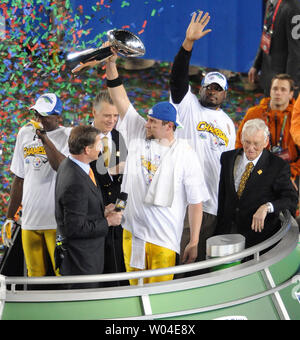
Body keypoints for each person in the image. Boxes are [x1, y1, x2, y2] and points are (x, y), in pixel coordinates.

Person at [104, 49, 210, 285]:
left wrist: (193, 241)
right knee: (134, 294)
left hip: (163, 240)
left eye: (153, 122)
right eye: (148, 119)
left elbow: (195, 202)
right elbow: (121, 100)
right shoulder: (139, 134)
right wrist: (111, 67)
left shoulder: (185, 154)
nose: (147, 124)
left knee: (158, 299)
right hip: (133, 234)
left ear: (169, 126)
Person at [169, 11, 236, 262]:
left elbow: (227, 166)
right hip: (184, 200)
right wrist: (188, 44)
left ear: (225, 94)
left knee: (200, 266)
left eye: (218, 89)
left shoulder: (229, 125)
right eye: (209, 87)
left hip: (212, 205)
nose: (213, 92)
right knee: (178, 262)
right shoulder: (187, 106)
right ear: (201, 89)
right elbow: (177, 78)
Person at [1, 93, 71, 277]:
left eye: (44, 116)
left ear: (58, 117)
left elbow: (60, 167)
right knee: (34, 275)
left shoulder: (67, 135)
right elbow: (19, 178)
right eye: (36, 114)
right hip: (29, 220)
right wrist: (9, 217)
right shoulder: (24, 133)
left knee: (61, 273)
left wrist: (44, 138)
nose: (38, 120)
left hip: (55, 220)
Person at [54, 125, 123, 288]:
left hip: (84, 259)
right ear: (87, 149)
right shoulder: (74, 181)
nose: (102, 147)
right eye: (99, 143)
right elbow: (75, 229)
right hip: (81, 263)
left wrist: (103, 210)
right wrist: (108, 222)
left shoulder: (71, 165)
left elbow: (79, 211)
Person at [216, 118, 298, 248]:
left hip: (257, 239)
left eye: (256, 143)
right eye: (247, 142)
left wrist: (267, 207)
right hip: (226, 233)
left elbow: (291, 198)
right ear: (241, 138)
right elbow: (222, 195)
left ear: (266, 142)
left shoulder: (277, 166)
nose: (250, 148)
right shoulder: (228, 158)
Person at [236, 74, 300, 192]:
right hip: (258, 170)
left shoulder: (296, 118)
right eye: (275, 88)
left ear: (291, 94)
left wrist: (290, 173)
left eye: (283, 89)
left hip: (290, 172)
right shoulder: (254, 114)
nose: (278, 93)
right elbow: (240, 144)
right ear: (270, 90)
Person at [89, 90, 128, 285]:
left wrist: (119, 209)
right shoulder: (79, 139)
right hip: (91, 223)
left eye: (115, 115)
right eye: (107, 115)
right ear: (94, 113)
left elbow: (125, 184)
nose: (112, 120)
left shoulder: (121, 138)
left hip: (117, 223)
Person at [248, 0, 300, 97]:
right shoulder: (270, 3)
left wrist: (289, 85)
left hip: (283, 83)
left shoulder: (294, 8)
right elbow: (266, 34)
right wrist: (256, 64)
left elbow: (296, 53)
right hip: (269, 78)